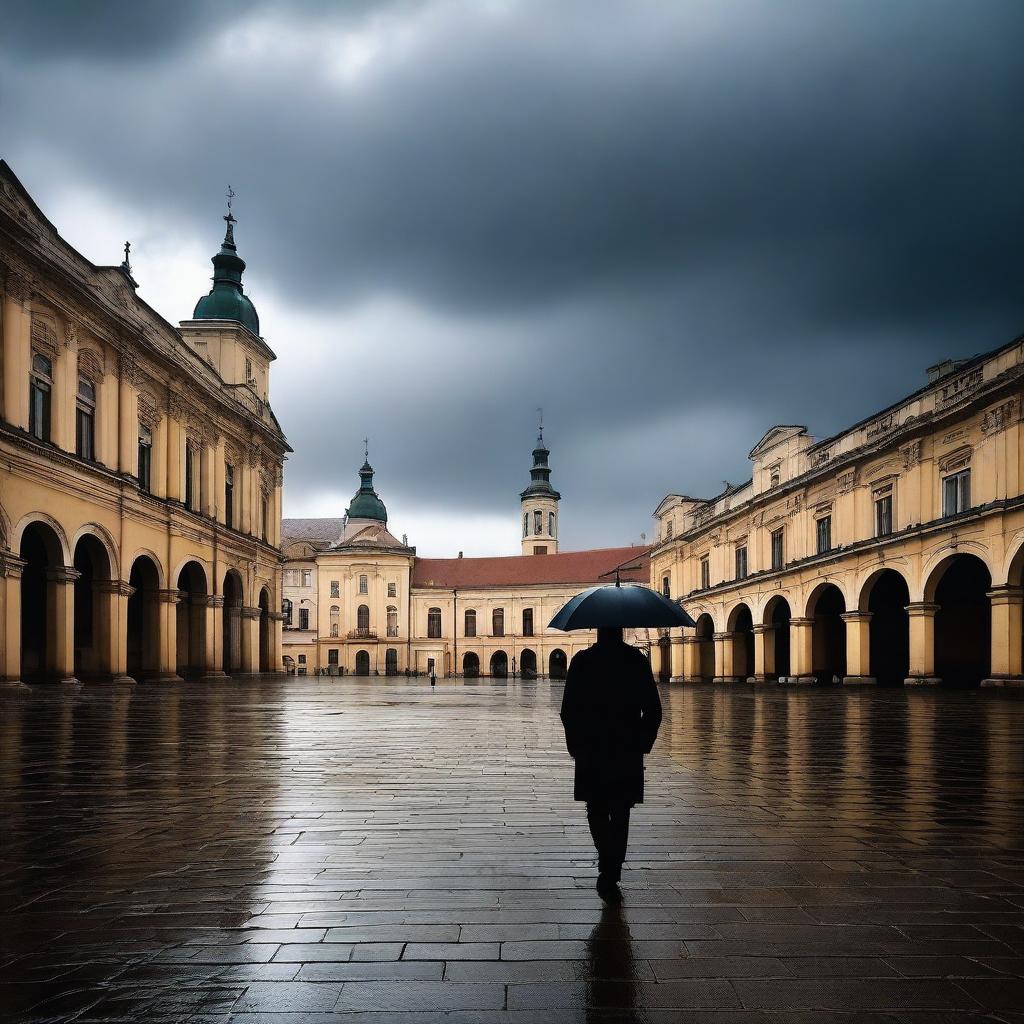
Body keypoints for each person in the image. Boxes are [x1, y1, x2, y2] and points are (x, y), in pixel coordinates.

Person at [559, 626, 662, 899]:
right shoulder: (636, 660)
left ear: (597, 630)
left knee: (596, 808)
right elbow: (653, 708)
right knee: (621, 811)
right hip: (626, 747)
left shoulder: (582, 660)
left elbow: (568, 709)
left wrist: (574, 743)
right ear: (621, 630)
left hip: (591, 746)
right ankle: (611, 870)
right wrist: (642, 741)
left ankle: (607, 863)